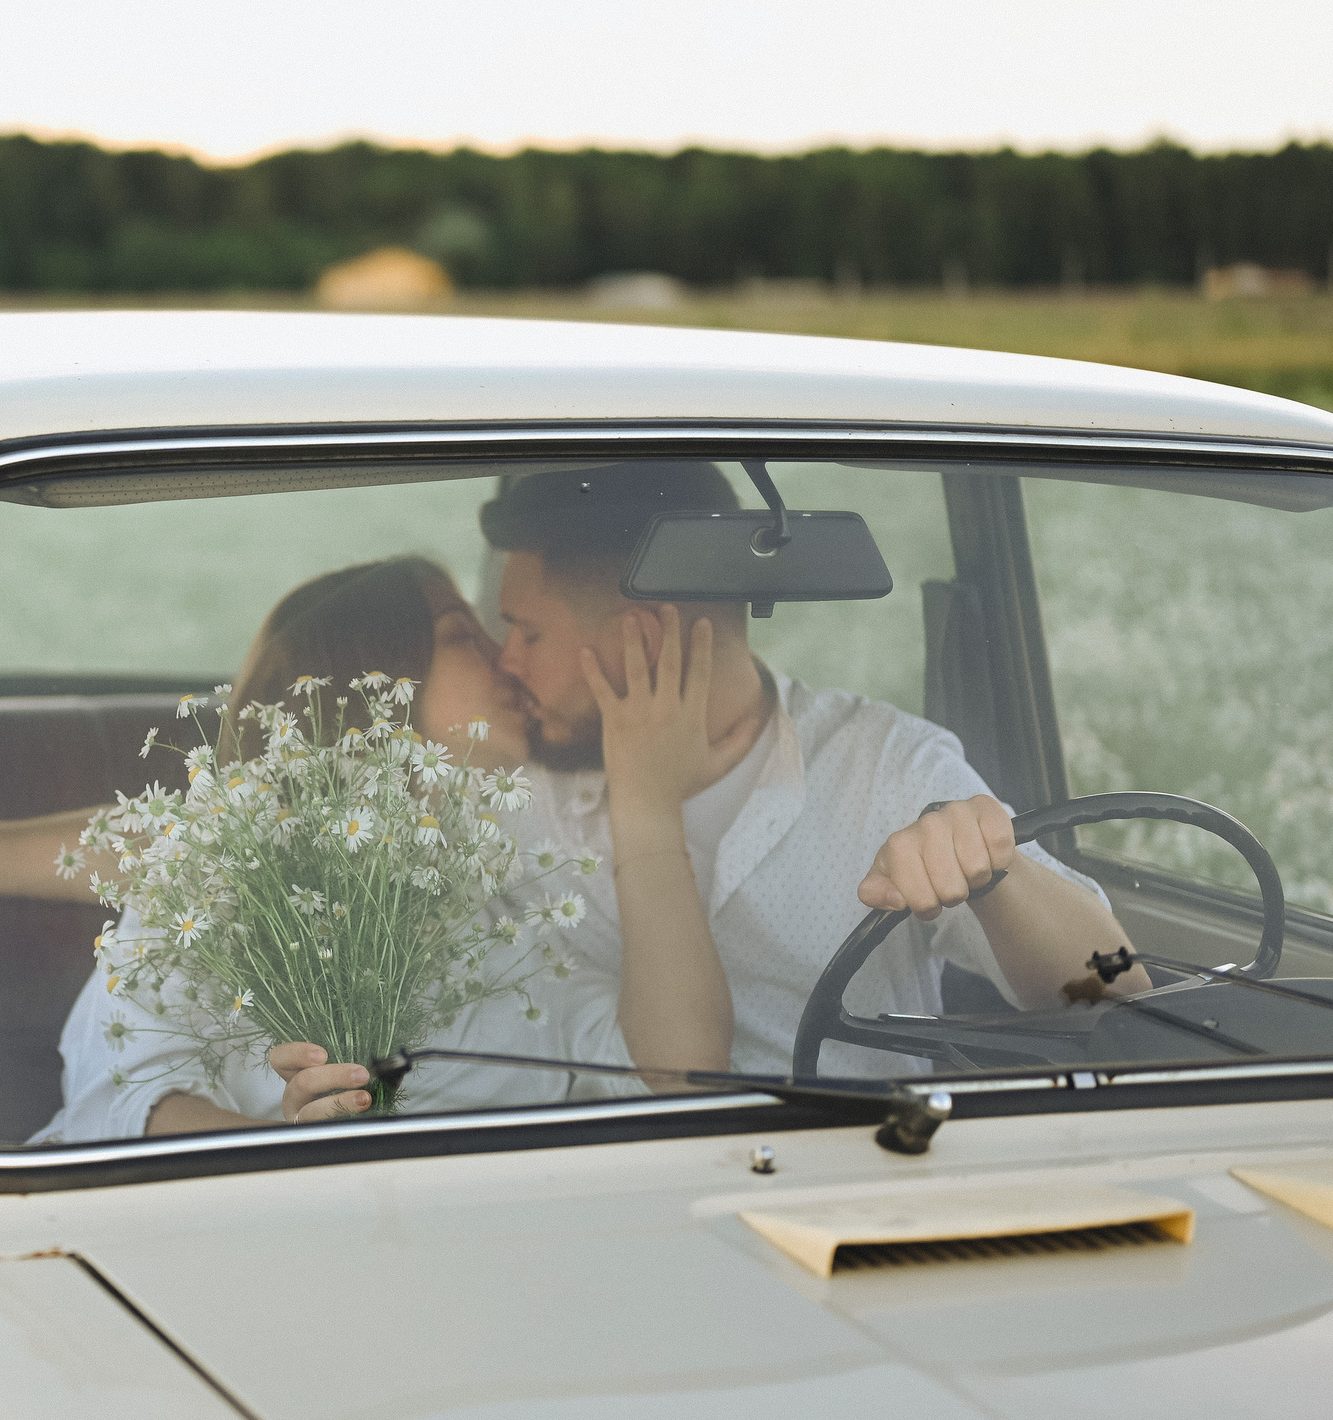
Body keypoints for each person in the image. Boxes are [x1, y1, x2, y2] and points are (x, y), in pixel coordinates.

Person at [0, 555, 740, 1141]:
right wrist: (298, 1156)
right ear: (373, 684)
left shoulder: (517, 913)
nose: (507, 658)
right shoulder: (228, 887)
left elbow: (674, 1069)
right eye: (461, 634)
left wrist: (646, 799)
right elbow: (130, 1103)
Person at [463, 460, 1148, 1099]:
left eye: (526, 633)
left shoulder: (883, 767)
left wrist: (1001, 876)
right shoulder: (520, 806)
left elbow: (1121, 987)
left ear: (643, 642)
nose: (507, 662)